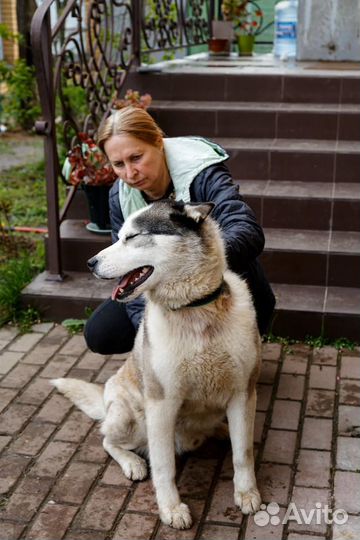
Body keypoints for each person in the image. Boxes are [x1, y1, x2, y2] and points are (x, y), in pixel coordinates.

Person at [84, 106, 275, 354]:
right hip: (161, 287)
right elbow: (128, 262)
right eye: (118, 164)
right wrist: (149, 338)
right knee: (101, 333)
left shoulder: (202, 172)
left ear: (158, 142)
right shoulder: (119, 196)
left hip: (219, 284)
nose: (130, 174)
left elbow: (246, 230)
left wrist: (195, 263)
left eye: (136, 158)